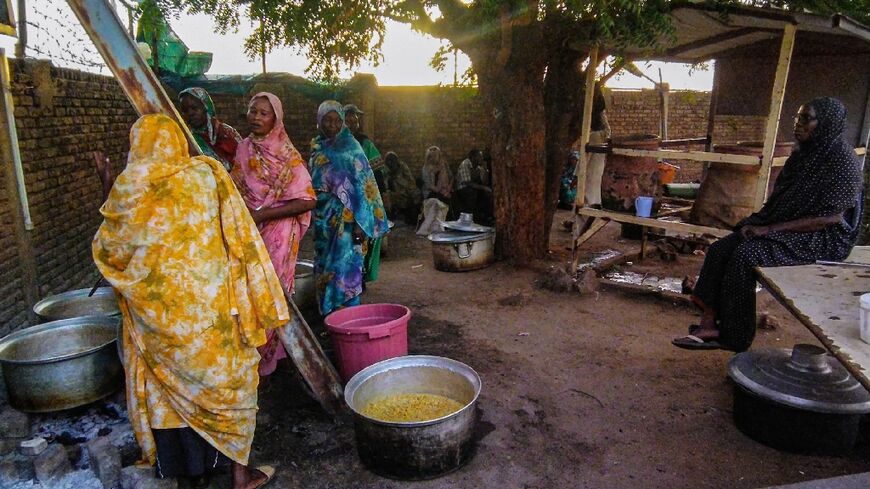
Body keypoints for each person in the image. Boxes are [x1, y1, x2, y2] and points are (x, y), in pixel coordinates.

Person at [93, 114, 285, 489]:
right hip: (213, 316)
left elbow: (109, 249)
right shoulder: (205, 174)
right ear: (177, 142)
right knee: (228, 385)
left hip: (159, 324)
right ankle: (238, 475)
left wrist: (106, 181)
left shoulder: (127, 188)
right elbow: (239, 234)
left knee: (169, 393)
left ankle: (188, 479)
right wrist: (254, 293)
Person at [672, 97, 863, 352]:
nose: (798, 124)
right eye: (798, 117)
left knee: (746, 255)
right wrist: (762, 223)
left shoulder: (842, 161)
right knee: (721, 249)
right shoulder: (803, 154)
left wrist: (768, 229)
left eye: (806, 119)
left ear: (826, 123)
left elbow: (830, 218)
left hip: (825, 236)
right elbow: (783, 199)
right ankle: (708, 322)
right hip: (790, 226)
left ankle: (734, 335)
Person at [232, 92, 316, 377]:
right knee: (248, 292)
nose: (256, 117)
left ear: (275, 119)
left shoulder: (287, 155)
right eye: (252, 111)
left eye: (263, 113)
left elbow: (307, 200)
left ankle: (268, 356)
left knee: (271, 292)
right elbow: (236, 190)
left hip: (277, 232)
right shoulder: (243, 149)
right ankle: (253, 353)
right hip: (247, 230)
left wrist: (262, 215)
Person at [309, 100, 389, 316]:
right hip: (323, 222)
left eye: (337, 120)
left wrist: (360, 226)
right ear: (319, 121)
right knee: (326, 268)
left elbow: (364, 187)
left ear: (343, 122)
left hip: (348, 223)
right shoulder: (316, 148)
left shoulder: (352, 148)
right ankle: (330, 318)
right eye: (327, 120)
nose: (332, 125)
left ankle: (349, 320)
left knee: (346, 271)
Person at [343, 103, 386, 282]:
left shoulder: (365, 143)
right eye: (348, 122)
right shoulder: (335, 144)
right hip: (341, 200)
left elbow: (377, 175)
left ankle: (359, 275)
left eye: (355, 122)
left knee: (362, 237)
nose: (353, 125)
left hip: (364, 199)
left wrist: (384, 197)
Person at [178, 87, 242, 171]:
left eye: (194, 108)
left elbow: (244, 161)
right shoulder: (185, 140)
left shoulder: (226, 133)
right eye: (185, 110)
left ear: (206, 107)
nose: (190, 113)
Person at [417, 146, 452, 236]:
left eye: (436, 155)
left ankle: (435, 226)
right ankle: (429, 227)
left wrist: (448, 188)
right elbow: (430, 186)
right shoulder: (426, 169)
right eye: (432, 156)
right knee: (436, 202)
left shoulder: (443, 165)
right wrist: (442, 190)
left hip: (443, 191)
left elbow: (451, 178)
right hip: (430, 193)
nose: (435, 158)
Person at [454, 148, 493, 224]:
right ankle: (472, 219)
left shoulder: (479, 168)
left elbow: (485, 182)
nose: (482, 158)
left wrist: (485, 170)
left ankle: (485, 218)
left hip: (474, 188)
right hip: (462, 189)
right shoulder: (465, 164)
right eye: (479, 156)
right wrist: (484, 188)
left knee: (487, 194)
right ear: (473, 157)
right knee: (472, 193)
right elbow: (467, 183)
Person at [383, 151, 421, 225]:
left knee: (416, 194)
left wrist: (398, 179)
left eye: (393, 162)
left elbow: (411, 182)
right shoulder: (385, 170)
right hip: (393, 194)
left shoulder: (402, 167)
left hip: (405, 191)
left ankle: (412, 218)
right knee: (386, 197)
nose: (391, 164)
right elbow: (385, 186)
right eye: (389, 162)